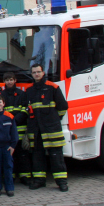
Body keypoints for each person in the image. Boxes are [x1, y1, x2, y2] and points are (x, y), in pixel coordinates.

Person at [26, 64, 69, 192]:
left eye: (38, 72)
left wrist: (54, 119)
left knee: (56, 157)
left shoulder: (53, 87)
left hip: (52, 129)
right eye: (34, 72)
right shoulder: (29, 90)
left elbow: (63, 107)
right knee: (37, 157)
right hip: (36, 130)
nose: (36, 74)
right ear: (32, 74)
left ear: (43, 73)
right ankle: (39, 181)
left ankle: (62, 182)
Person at [1, 71, 31, 185]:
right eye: (7, 80)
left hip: (21, 129)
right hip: (7, 131)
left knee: (23, 154)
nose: (9, 82)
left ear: (15, 81)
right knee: (10, 155)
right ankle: (11, 176)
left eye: (11, 79)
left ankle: (25, 176)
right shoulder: (1, 95)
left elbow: (25, 109)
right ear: (4, 81)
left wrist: (15, 120)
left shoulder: (21, 94)